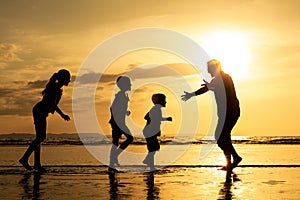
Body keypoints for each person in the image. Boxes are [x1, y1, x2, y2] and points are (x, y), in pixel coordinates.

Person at [181, 59, 242, 170]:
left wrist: (192, 94)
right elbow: (209, 88)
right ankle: (233, 160)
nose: (208, 72)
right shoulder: (219, 79)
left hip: (230, 112)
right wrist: (196, 92)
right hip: (226, 113)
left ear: (215, 68)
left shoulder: (224, 78)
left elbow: (211, 87)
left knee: (220, 137)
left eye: (209, 69)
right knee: (224, 137)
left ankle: (233, 160)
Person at [19, 69, 71, 171]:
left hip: (41, 112)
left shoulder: (58, 88)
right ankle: (24, 158)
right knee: (41, 137)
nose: (69, 81)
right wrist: (62, 115)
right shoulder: (55, 88)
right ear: (63, 79)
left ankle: (37, 164)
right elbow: (52, 103)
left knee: (40, 138)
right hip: (39, 111)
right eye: (68, 78)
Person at [108, 76, 133, 171]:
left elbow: (118, 108)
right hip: (118, 123)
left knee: (116, 142)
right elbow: (112, 108)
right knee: (129, 138)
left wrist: (125, 112)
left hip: (119, 122)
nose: (130, 85)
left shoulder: (123, 95)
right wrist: (115, 120)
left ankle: (112, 164)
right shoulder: (120, 95)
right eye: (128, 83)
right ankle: (113, 160)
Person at [143, 93, 172, 171]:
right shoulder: (156, 109)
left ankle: (150, 164)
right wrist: (166, 119)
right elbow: (151, 118)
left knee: (153, 148)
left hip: (150, 131)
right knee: (154, 148)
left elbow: (146, 117)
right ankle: (149, 163)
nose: (166, 102)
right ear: (159, 101)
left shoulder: (155, 109)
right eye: (164, 100)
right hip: (150, 131)